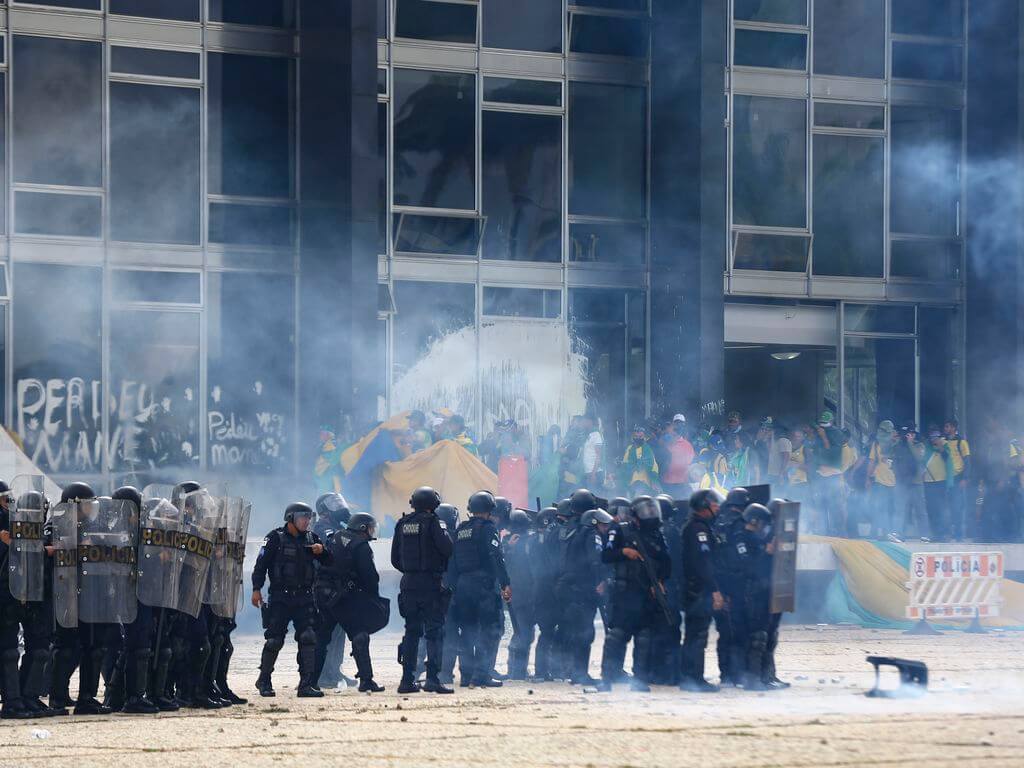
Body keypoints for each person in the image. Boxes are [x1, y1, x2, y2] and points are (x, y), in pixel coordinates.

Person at [251, 502, 329, 698]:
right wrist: (256, 589)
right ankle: (264, 680)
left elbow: (330, 561)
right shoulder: (275, 538)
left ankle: (306, 684)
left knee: (308, 637)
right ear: (290, 518)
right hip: (280, 598)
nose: (306, 521)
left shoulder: (312, 538)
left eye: (309, 517)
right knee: (274, 640)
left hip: (305, 597)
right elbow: (260, 565)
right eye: (302, 517)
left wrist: (323, 551)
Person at [597, 497, 668, 692]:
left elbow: (666, 561)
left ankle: (639, 681)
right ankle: (607, 679)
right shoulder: (620, 530)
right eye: (646, 511)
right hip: (625, 594)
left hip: (646, 594)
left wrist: (660, 581)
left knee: (644, 638)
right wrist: (624, 551)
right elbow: (606, 555)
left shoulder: (656, 534)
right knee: (616, 637)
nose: (650, 515)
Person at [391, 486, 455, 694]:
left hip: (408, 584)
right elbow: (448, 549)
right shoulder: (435, 522)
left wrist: (411, 571)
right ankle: (433, 679)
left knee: (411, 632)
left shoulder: (402, 523)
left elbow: (395, 558)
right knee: (435, 632)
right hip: (430, 584)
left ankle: (407, 680)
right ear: (433, 504)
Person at [316, 512, 387, 692]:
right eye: (370, 527)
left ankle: (309, 680)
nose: (372, 531)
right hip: (344, 598)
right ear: (363, 528)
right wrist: (371, 597)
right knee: (360, 634)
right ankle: (366, 680)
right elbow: (370, 576)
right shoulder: (361, 545)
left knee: (321, 638)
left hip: (324, 595)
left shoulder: (336, 536)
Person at [451, 491, 511, 688]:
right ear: (490, 509)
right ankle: (481, 675)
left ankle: (467, 676)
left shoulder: (461, 529)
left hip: (463, 586)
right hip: (483, 587)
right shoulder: (488, 528)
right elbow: (496, 556)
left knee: (467, 631)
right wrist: (505, 583)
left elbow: (453, 561)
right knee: (489, 631)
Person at [679, 489, 725, 693]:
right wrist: (715, 590)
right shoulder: (699, 530)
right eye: (714, 505)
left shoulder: (698, 527)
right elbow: (704, 564)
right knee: (697, 636)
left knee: (694, 635)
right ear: (704, 506)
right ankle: (693, 679)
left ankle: (690, 676)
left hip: (695, 589)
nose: (717, 509)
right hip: (699, 590)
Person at [732, 503, 775, 691]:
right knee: (756, 637)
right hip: (749, 593)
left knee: (761, 636)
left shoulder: (755, 538)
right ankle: (752, 679)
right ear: (754, 520)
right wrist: (765, 553)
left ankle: (757, 677)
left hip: (758, 592)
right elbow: (747, 565)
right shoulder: (741, 539)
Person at [312, 493, 353, 690]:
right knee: (328, 632)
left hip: (338, 586)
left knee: (340, 632)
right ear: (325, 511)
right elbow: (335, 545)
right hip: (325, 587)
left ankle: (334, 670)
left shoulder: (338, 528)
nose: (341, 509)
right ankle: (322, 674)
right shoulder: (322, 528)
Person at [503, 510, 538, 680]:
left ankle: (517, 670)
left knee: (523, 632)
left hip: (518, 592)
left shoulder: (507, 542)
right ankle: (517, 671)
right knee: (523, 633)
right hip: (522, 593)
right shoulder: (512, 543)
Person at [531, 507, 562, 681]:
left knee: (549, 632)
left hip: (544, 590)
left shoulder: (536, 541)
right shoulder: (540, 542)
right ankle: (542, 671)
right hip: (545, 591)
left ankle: (549, 670)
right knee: (548, 632)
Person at [893, 422, 928, 539]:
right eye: (906, 434)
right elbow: (894, 461)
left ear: (913, 434)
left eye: (909, 434)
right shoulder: (899, 446)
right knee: (900, 509)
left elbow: (919, 458)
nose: (907, 436)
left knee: (920, 510)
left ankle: (924, 535)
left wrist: (910, 443)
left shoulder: (919, 445)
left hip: (916, 483)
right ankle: (899, 534)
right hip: (903, 482)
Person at [814, 411, 845, 535]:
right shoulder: (820, 432)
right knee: (821, 504)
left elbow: (832, 452)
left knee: (835, 505)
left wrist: (823, 437)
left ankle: (839, 531)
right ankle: (824, 531)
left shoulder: (837, 434)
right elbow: (817, 452)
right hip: (821, 474)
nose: (823, 426)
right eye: (821, 423)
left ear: (831, 422)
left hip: (833, 475)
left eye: (825, 423)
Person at [867, 421, 898, 539]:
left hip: (894, 482)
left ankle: (887, 533)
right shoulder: (876, 444)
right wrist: (868, 478)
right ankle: (874, 532)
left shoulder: (896, 444)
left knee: (890, 509)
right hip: (879, 481)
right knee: (878, 507)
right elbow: (871, 461)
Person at [923, 430, 955, 541]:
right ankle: (935, 533)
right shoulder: (926, 447)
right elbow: (921, 460)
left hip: (941, 482)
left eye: (935, 437)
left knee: (942, 509)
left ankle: (944, 533)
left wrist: (940, 447)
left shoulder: (945, 446)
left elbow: (947, 460)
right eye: (931, 438)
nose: (933, 440)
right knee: (931, 509)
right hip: (928, 482)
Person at [944, 420, 972, 540]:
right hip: (946, 478)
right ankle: (949, 531)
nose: (945, 428)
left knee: (957, 507)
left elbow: (967, 461)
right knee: (947, 506)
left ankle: (959, 533)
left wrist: (965, 478)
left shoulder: (962, 442)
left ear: (954, 428)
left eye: (947, 426)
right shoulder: (943, 442)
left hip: (957, 478)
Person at [661, 416, 695, 498]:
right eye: (676, 424)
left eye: (680, 424)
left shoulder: (687, 445)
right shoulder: (664, 442)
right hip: (666, 482)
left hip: (681, 483)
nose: (676, 428)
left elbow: (691, 464)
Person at [619, 426, 660, 495]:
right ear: (632, 437)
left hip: (644, 483)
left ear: (644, 437)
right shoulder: (629, 448)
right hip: (631, 483)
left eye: (640, 436)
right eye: (636, 436)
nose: (638, 438)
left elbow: (653, 466)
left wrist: (654, 481)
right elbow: (625, 464)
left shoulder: (648, 449)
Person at [580, 415, 605, 490]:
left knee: (595, 497)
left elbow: (598, 455)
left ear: (590, 422)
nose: (582, 423)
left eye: (584, 421)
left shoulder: (596, 434)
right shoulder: (588, 434)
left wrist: (593, 474)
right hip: (588, 471)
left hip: (595, 473)